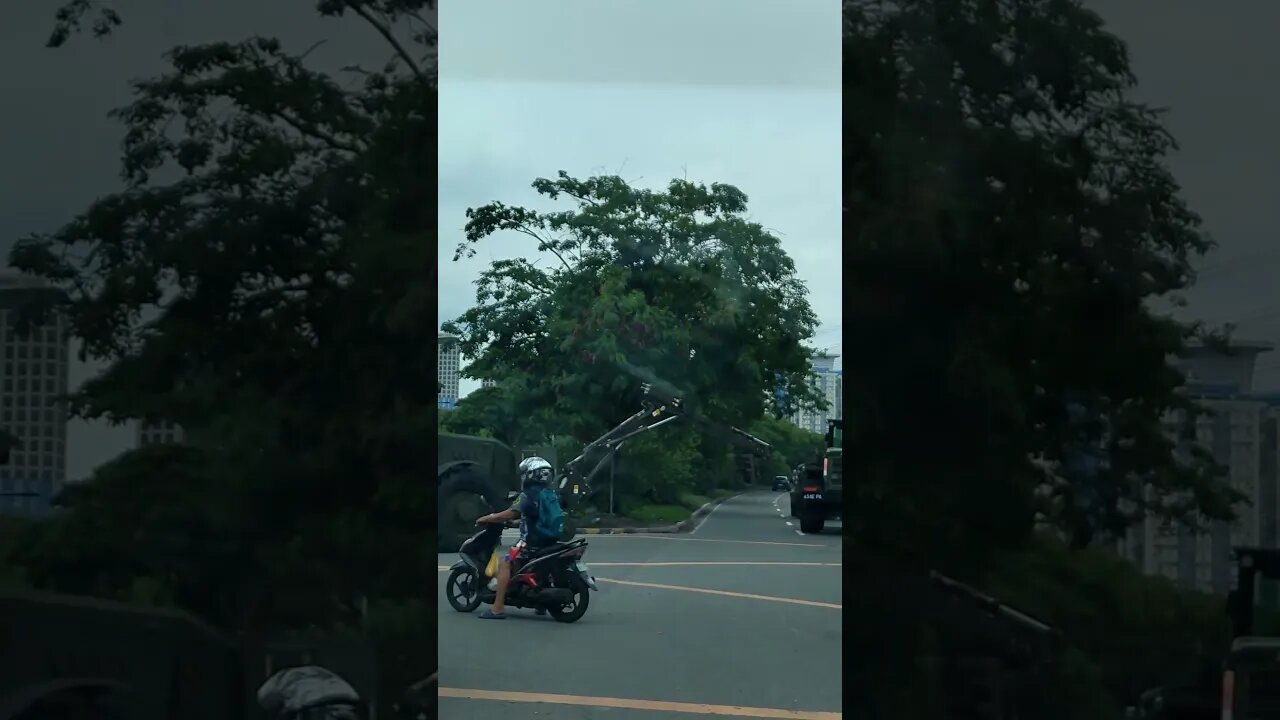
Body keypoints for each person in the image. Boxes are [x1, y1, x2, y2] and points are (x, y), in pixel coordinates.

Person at [474, 456, 562, 620]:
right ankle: (540, 605)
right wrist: (516, 522)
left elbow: (509, 513)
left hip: (530, 543)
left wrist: (487, 518)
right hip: (549, 540)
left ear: (531, 474)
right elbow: (534, 516)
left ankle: (497, 608)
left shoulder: (527, 495)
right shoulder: (550, 494)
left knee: (504, 563)